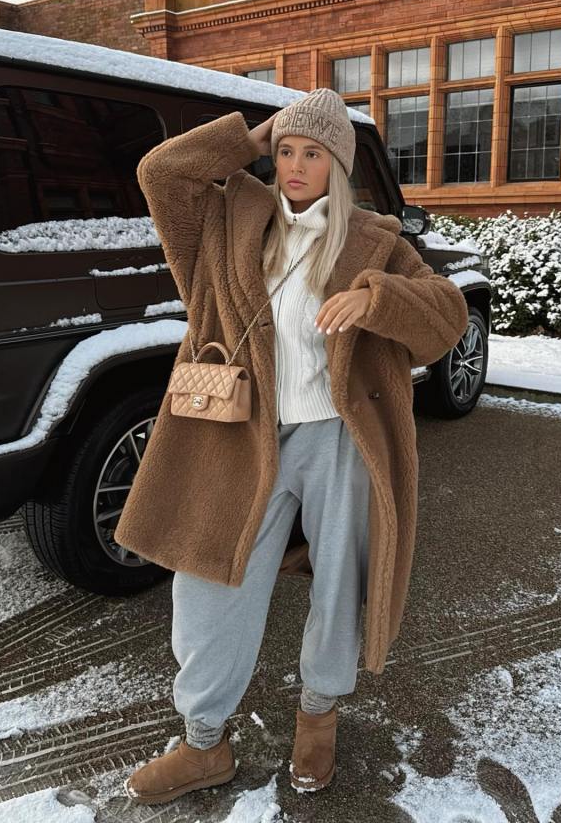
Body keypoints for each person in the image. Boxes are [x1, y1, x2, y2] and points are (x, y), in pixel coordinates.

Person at [117, 88, 469, 805]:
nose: (296, 166)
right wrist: (248, 138)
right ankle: (203, 742)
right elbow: (160, 172)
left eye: (313, 153)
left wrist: (379, 299)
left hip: (341, 438)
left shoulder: (378, 242)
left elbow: (447, 318)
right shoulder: (225, 219)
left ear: (338, 166)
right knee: (209, 583)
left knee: (344, 579)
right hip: (238, 433)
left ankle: (318, 716)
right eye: (287, 152)